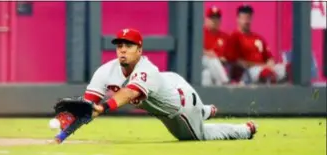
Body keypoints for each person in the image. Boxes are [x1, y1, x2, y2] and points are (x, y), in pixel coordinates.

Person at [64, 28, 258, 142]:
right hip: (173, 82)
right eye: (119, 46)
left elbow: (129, 94)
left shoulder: (147, 69)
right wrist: (70, 121)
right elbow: (89, 102)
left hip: (180, 109)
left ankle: (243, 129)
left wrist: (104, 107)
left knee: (198, 137)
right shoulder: (106, 71)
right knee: (185, 103)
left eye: (128, 46)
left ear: (139, 50)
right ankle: (206, 110)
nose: (122, 50)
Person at [225, 5, 289, 84]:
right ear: (238, 19)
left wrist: (270, 64)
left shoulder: (258, 38)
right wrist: (262, 66)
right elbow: (235, 61)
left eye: (249, 18)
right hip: (247, 72)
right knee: (266, 73)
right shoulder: (234, 37)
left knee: (287, 69)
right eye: (244, 18)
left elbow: (269, 57)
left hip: (264, 68)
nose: (247, 21)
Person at [202, 6, 230, 86]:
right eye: (212, 18)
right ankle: (225, 84)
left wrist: (221, 58)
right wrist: (206, 52)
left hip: (220, 66)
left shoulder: (225, 37)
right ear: (206, 19)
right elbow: (194, 50)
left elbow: (229, 57)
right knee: (211, 60)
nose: (214, 21)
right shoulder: (200, 33)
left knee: (206, 74)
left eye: (217, 18)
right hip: (201, 63)